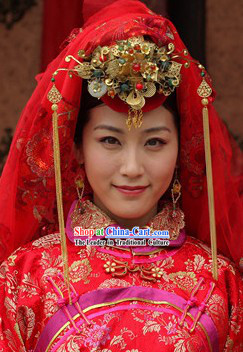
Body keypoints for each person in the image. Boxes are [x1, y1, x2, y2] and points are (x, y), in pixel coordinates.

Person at [0, 0, 242, 351]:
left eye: (155, 142)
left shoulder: (218, 279)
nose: (132, 167)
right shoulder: (25, 279)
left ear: (182, 150)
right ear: (78, 147)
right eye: (110, 140)